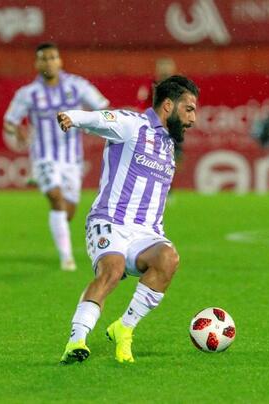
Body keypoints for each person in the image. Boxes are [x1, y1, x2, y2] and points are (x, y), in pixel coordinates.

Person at [57, 75, 199, 364]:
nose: (193, 119)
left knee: (168, 258)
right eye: (188, 109)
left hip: (146, 233)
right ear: (168, 106)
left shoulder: (168, 145)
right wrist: (73, 117)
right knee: (112, 270)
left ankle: (124, 327)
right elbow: (100, 119)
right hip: (110, 221)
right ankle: (76, 340)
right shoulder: (132, 125)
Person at [3, 42, 110, 271]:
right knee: (56, 197)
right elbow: (9, 122)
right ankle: (67, 258)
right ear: (37, 63)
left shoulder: (77, 86)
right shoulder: (28, 93)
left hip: (72, 160)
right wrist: (17, 130)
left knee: (67, 212)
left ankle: (60, 229)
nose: (49, 62)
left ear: (60, 61)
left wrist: (94, 123)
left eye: (53, 57)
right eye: (44, 58)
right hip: (43, 157)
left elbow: (103, 107)